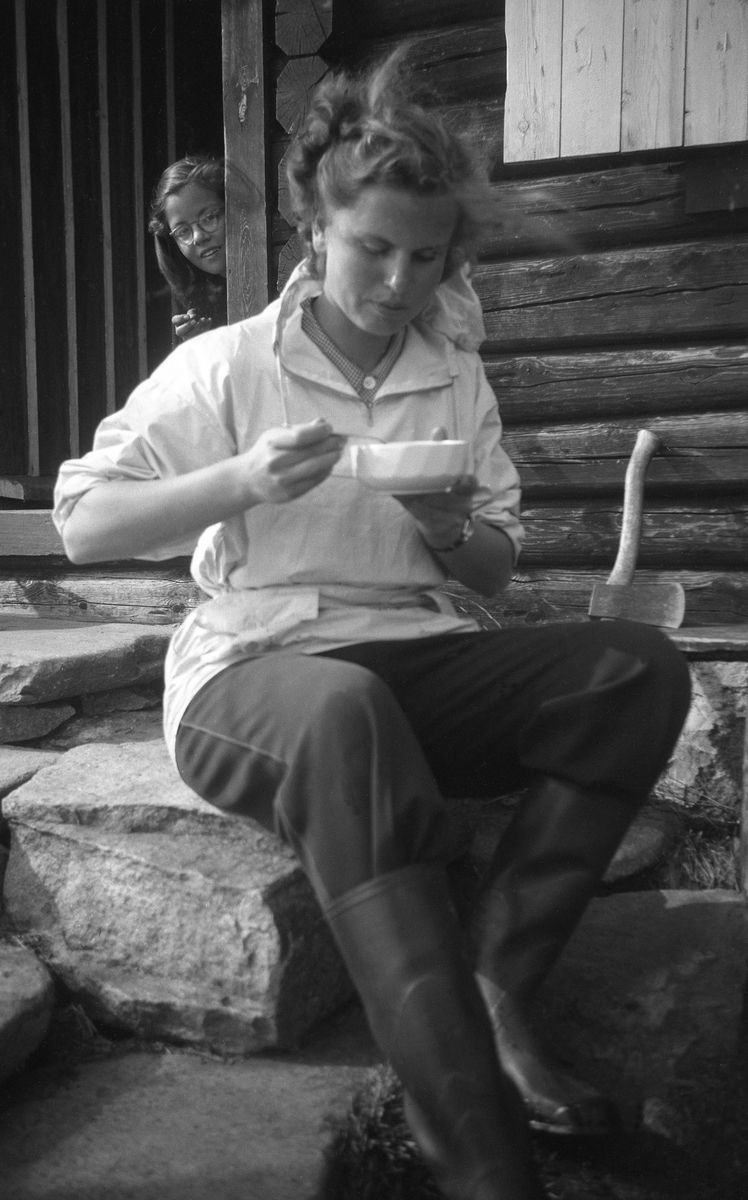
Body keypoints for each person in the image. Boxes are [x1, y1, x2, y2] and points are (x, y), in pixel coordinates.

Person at [54, 49, 690, 1200]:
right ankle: (477, 1154)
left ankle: (495, 996)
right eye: (372, 249)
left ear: (452, 255)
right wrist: (240, 479)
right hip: (259, 671)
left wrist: (449, 526)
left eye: (424, 255)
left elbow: (493, 571)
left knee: (634, 668)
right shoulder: (225, 365)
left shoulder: (452, 376)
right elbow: (84, 525)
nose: (398, 281)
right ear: (316, 233)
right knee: (343, 710)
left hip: (420, 652)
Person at [149, 154, 228, 341]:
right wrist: (200, 346)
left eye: (209, 217)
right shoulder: (198, 309)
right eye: (182, 231)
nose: (199, 237)